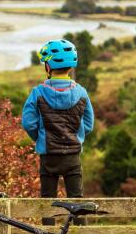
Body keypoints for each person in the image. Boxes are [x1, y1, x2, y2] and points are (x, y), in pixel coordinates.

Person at [21, 39, 95, 202]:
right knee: (78, 203)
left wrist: (40, 138)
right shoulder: (82, 93)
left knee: (47, 202)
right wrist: (75, 135)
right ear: (71, 67)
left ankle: (47, 229)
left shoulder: (37, 92)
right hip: (73, 156)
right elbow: (89, 124)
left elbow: (28, 123)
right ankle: (80, 228)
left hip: (49, 156)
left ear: (48, 66)